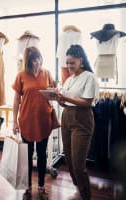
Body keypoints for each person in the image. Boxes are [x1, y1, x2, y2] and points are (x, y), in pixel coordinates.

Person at [12, 46, 56, 200]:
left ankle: (42, 186)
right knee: (27, 156)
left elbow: (54, 92)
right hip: (26, 120)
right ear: (28, 61)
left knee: (42, 155)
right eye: (32, 60)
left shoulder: (47, 73)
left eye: (38, 58)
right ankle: (28, 187)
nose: (36, 62)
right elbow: (17, 100)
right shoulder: (21, 76)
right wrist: (14, 122)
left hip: (44, 120)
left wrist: (53, 91)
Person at [55, 44, 99, 200]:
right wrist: (60, 101)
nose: (69, 66)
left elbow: (87, 102)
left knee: (79, 165)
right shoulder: (69, 79)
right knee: (68, 159)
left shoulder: (90, 77)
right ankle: (79, 188)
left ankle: (86, 196)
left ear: (81, 60)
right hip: (67, 116)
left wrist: (65, 98)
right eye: (67, 63)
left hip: (82, 119)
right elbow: (68, 102)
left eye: (72, 62)